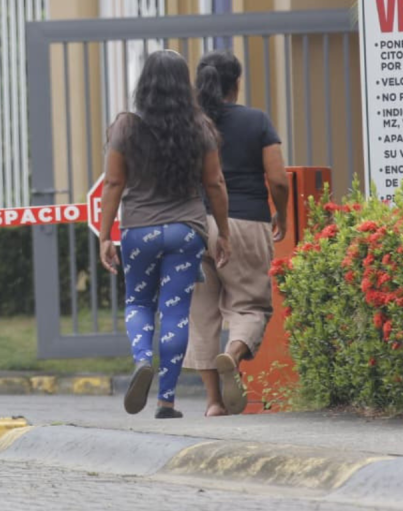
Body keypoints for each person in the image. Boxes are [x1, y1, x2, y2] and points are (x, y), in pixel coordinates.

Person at [99, 49, 231, 419]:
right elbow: (215, 183)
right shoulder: (199, 128)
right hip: (185, 232)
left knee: (139, 304)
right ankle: (166, 401)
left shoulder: (124, 127)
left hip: (138, 231)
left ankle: (143, 359)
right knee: (176, 312)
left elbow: (113, 182)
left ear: (145, 84)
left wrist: (105, 236)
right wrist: (222, 231)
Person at [185, 50, 290, 417]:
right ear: (237, 83)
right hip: (245, 221)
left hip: (194, 225)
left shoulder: (189, 124)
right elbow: (277, 178)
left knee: (201, 314)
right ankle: (232, 354)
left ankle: (214, 403)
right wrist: (282, 213)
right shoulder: (256, 121)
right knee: (250, 304)